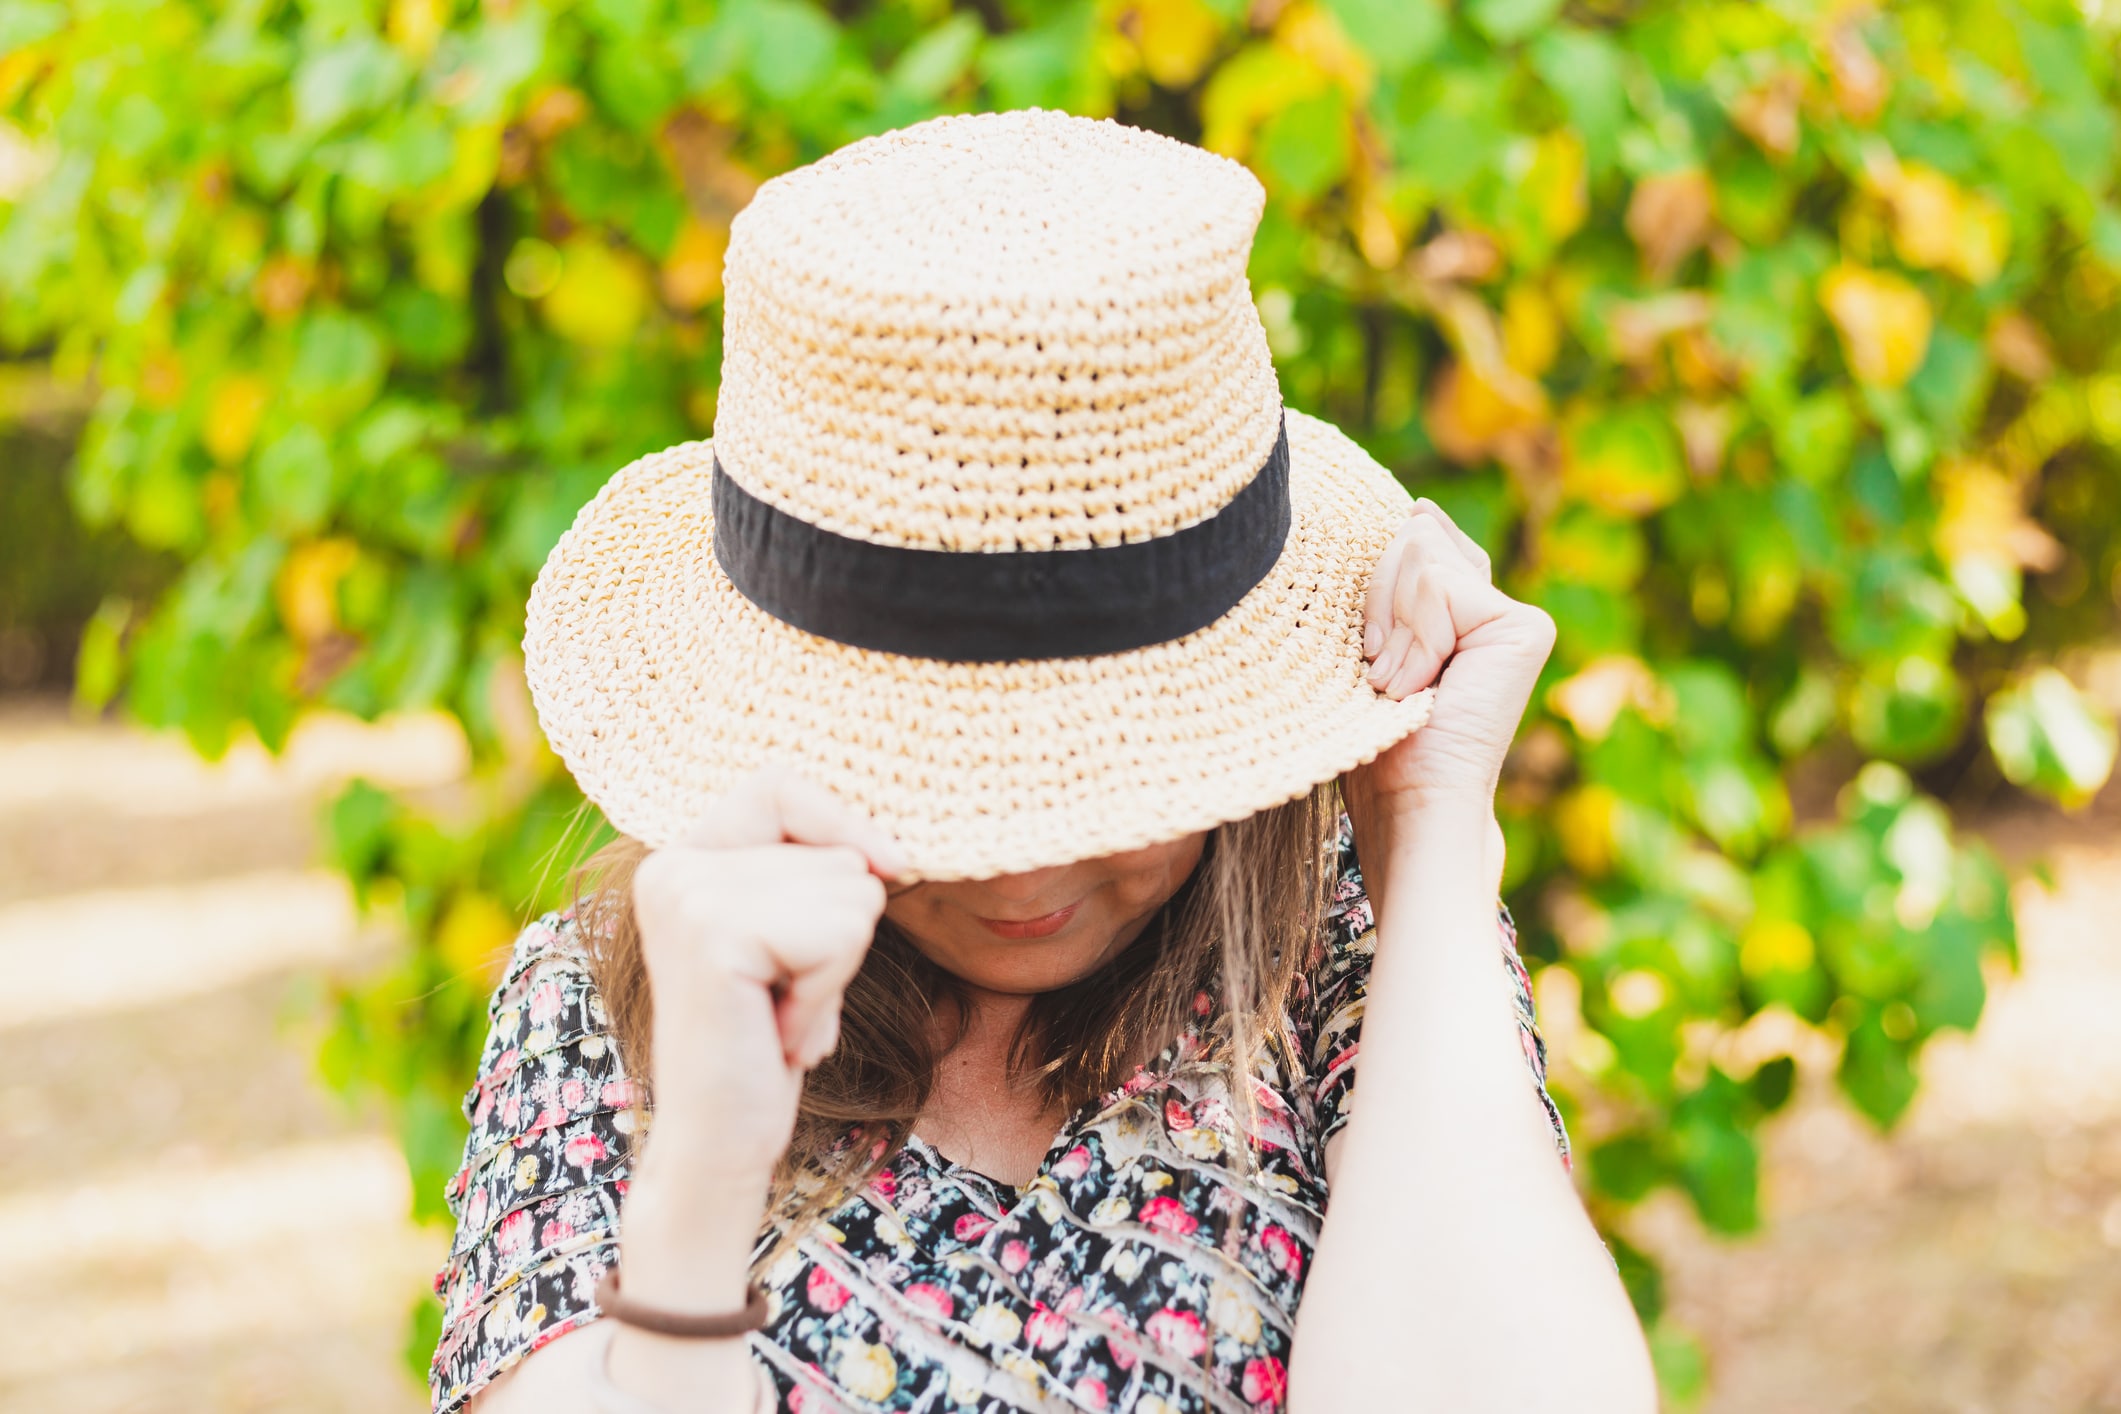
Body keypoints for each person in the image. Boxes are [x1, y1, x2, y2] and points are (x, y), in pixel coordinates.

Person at [430, 110, 1655, 1413]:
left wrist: (1430, 831)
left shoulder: (1333, 943)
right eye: (934, 770)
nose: (1026, 857)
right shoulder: (620, 1002)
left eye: (1107, 769)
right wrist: (706, 1168)